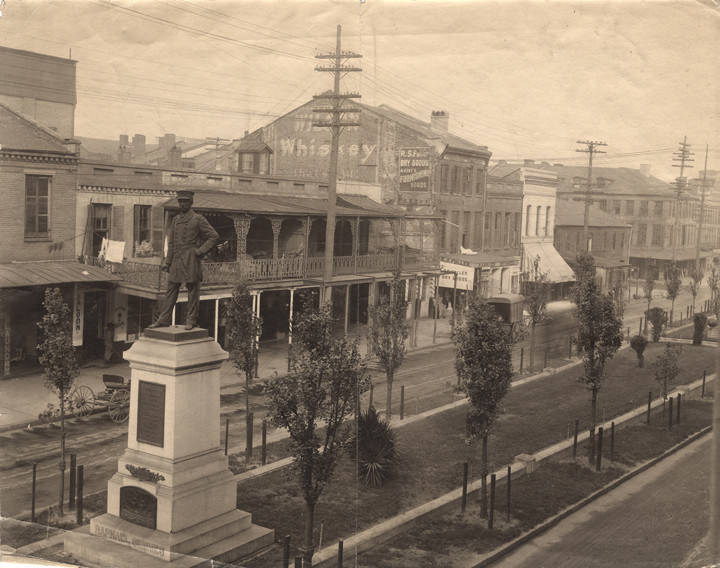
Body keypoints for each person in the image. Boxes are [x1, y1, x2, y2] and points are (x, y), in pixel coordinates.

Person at [149, 190, 219, 330]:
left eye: (185, 201)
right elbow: (171, 243)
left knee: (192, 291)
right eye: (180, 201)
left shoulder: (198, 219)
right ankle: (164, 319)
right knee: (171, 290)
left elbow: (214, 236)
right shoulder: (175, 220)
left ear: (191, 202)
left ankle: (191, 320)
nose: (182, 204)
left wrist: (200, 251)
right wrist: (167, 262)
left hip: (191, 259)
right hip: (176, 260)